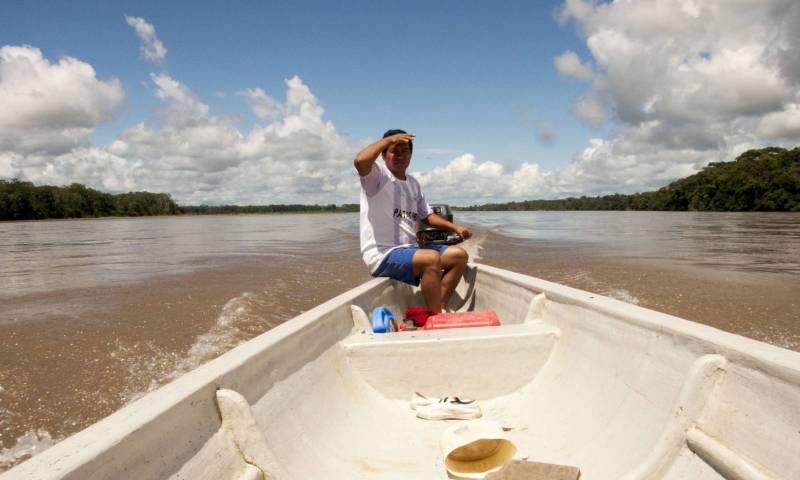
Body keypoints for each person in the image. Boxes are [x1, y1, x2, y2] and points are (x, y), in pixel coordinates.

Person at [354, 129, 472, 312]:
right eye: (395, 151)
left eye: (405, 151)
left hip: (410, 251)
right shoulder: (377, 177)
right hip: (382, 254)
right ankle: (436, 318)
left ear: (411, 155)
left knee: (459, 256)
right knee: (431, 259)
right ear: (384, 155)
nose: (400, 156)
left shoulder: (414, 184)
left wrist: (455, 227)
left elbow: (428, 216)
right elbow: (360, 161)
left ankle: (439, 306)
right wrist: (388, 140)